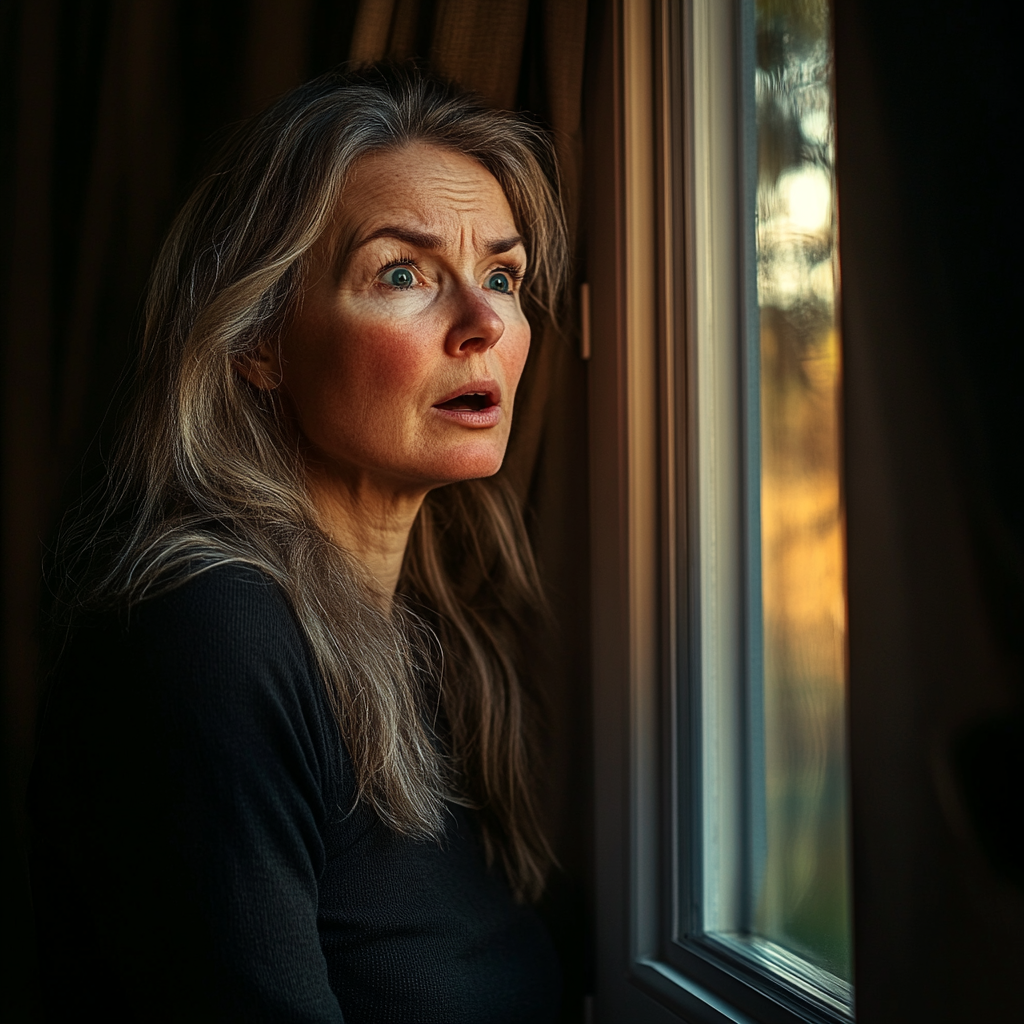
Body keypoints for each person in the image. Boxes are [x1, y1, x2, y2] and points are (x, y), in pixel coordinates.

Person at [29, 62, 569, 1023]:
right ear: (261, 341)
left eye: (502, 274)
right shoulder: (214, 632)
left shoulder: (432, 639)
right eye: (402, 274)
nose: (485, 322)